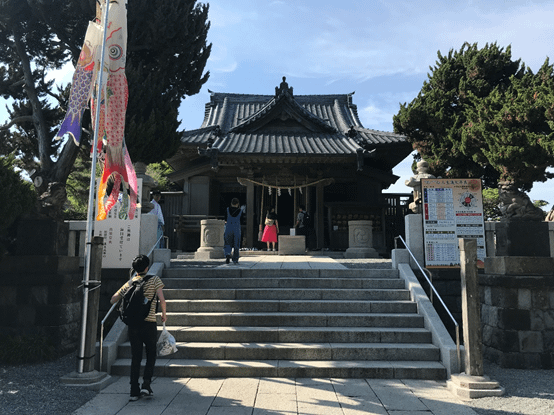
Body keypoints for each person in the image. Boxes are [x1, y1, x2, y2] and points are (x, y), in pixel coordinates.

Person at [110, 254, 167, 401]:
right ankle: (146, 385)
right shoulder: (154, 280)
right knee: (151, 354)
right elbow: (162, 299)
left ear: (135, 269)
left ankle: (133, 390)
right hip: (149, 323)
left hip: (133, 326)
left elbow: (113, 299)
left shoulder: (130, 283)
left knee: (136, 357)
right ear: (147, 267)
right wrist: (164, 315)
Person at [224, 198, 244, 264]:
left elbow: (225, 219)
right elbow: (242, 221)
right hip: (236, 228)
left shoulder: (227, 210)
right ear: (238, 204)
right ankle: (235, 259)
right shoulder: (240, 211)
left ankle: (227, 254)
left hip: (228, 227)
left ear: (231, 203)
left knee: (227, 242)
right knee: (236, 244)